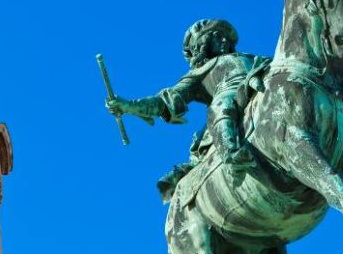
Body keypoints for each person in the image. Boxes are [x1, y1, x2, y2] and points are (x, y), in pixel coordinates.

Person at [105, 19, 267, 201]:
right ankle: (231, 153)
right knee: (221, 105)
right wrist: (129, 106)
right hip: (230, 98)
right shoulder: (200, 72)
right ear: (202, 45)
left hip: (261, 85)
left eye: (225, 38)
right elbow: (165, 100)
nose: (224, 41)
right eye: (216, 37)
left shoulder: (251, 57)